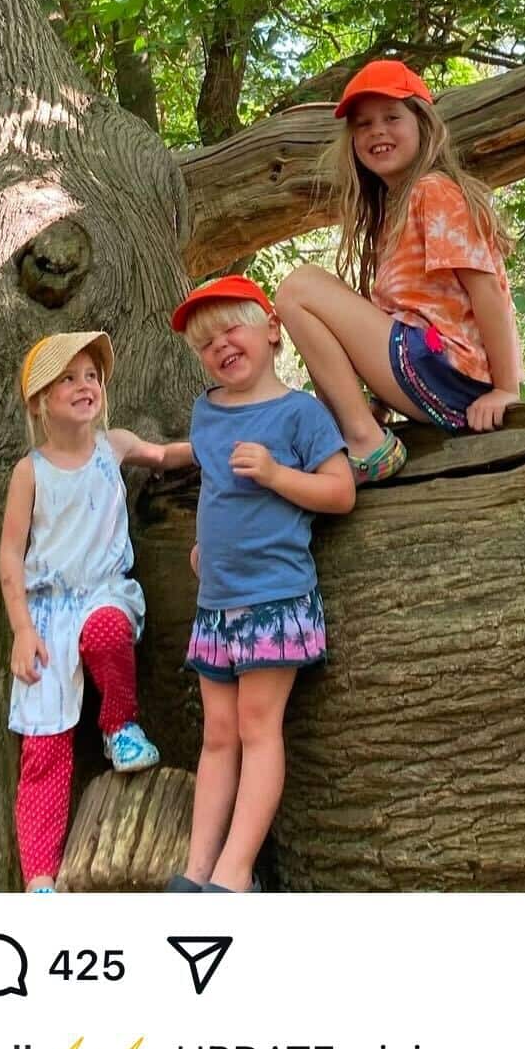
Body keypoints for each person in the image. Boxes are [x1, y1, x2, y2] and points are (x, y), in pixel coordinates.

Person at [167, 276, 355, 893]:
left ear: (271, 329)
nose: (220, 346)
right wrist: (205, 545)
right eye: (204, 343)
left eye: (231, 330)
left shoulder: (298, 411)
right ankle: (197, 870)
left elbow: (339, 492)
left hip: (275, 596)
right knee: (216, 733)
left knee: (256, 727)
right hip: (217, 602)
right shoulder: (205, 411)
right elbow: (214, 490)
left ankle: (235, 870)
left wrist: (276, 474)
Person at [0, 330, 192, 892]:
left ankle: (119, 726)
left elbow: (164, 455)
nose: (86, 387)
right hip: (46, 614)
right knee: (43, 750)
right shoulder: (29, 472)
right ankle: (39, 878)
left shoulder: (115, 446)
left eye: (92, 376)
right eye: (69, 379)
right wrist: (22, 629)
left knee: (107, 631)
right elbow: (11, 554)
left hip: (105, 591)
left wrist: (221, 439)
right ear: (39, 401)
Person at [275, 58, 521, 485]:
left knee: (298, 288)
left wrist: (506, 389)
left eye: (392, 117)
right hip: (427, 371)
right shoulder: (393, 211)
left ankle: (364, 441)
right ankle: (356, 425)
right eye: (363, 124)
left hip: (451, 372)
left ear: (423, 125)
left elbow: (486, 292)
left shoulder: (434, 190)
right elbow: (404, 315)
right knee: (309, 295)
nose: (377, 131)